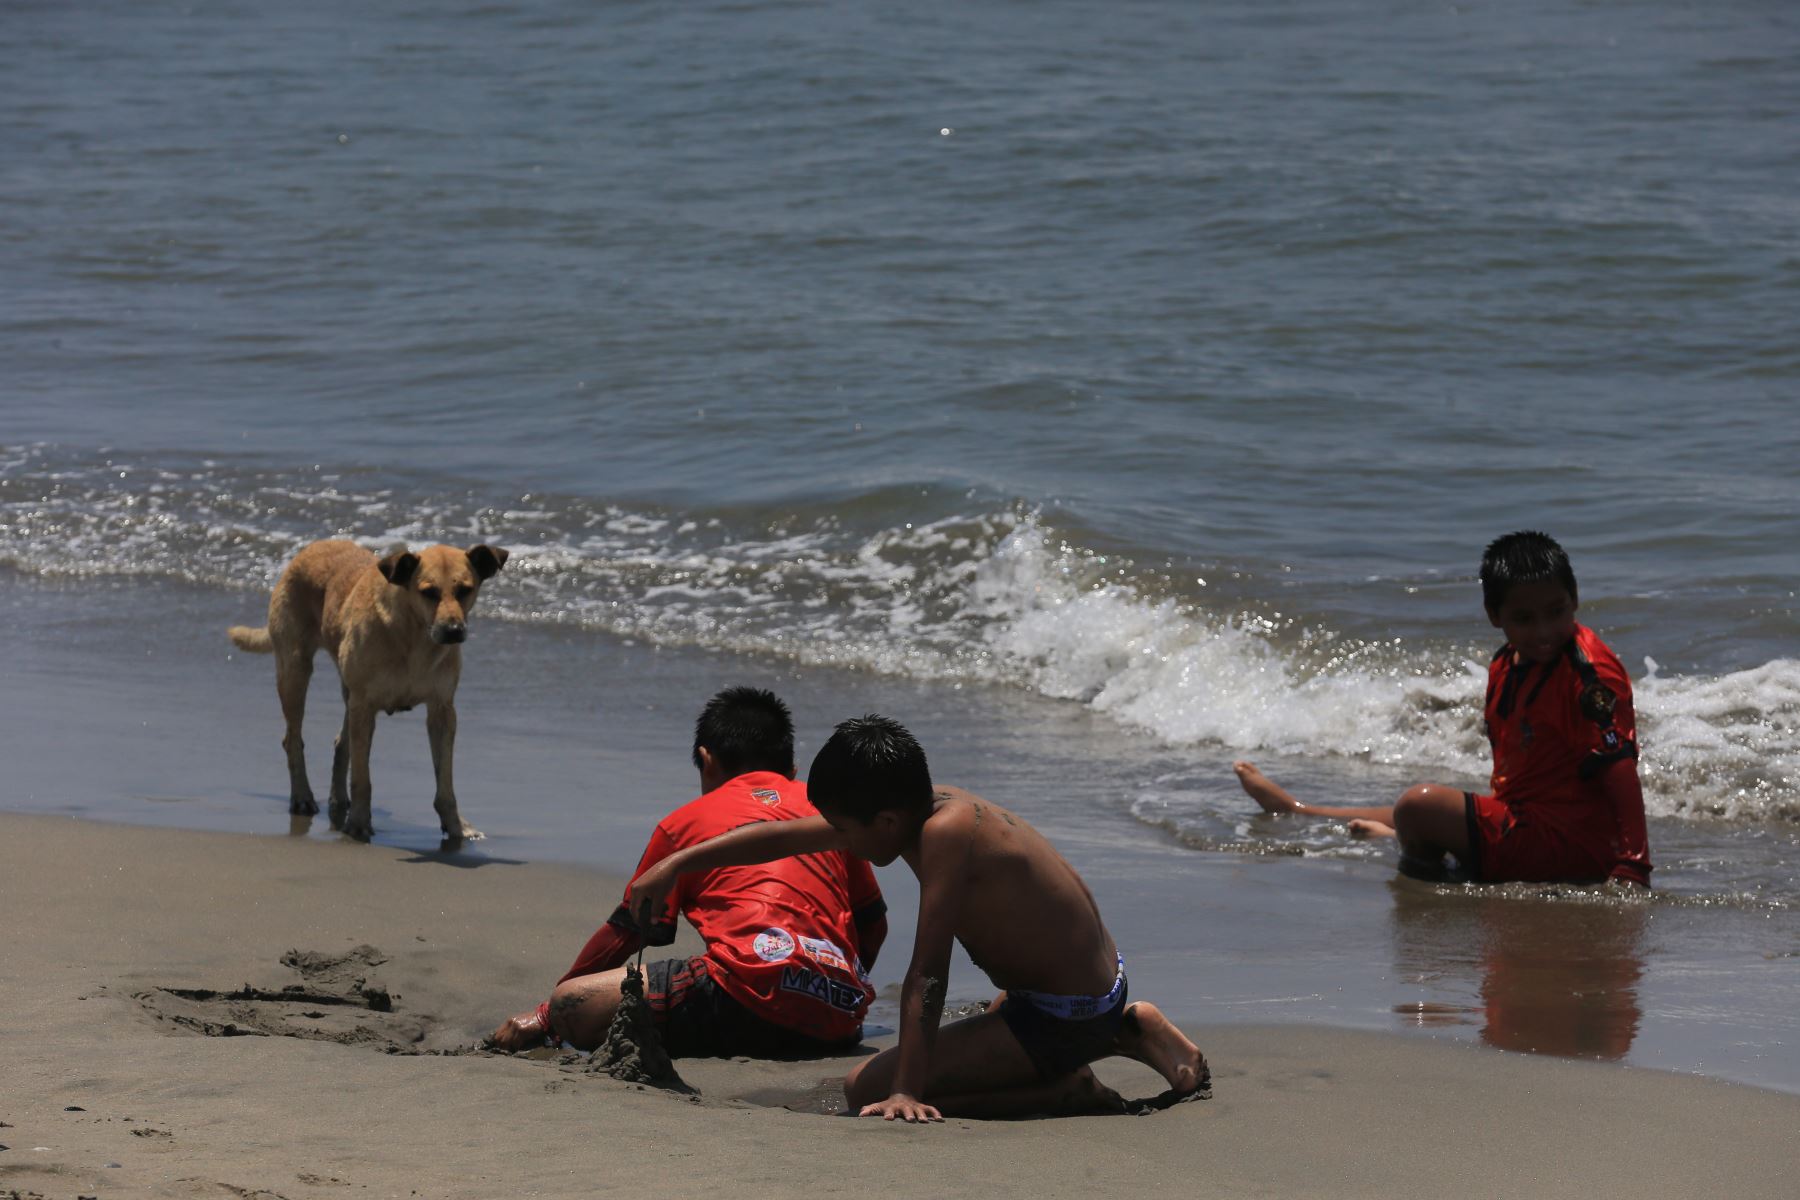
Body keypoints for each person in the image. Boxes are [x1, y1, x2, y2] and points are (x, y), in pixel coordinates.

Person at [630, 715, 1208, 1122]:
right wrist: (677, 866)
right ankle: (1127, 1030)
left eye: (846, 833)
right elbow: (776, 836)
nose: (842, 846)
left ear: (883, 820)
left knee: (865, 1089)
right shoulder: (924, 805)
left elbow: (929, 972)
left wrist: (906, 1090)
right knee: (943, 1051)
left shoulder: (946, 835)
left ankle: (1067, 1085)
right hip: (1060, 995)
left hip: (1065, 1016)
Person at [1234, 530, 1653, 887]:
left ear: (1575, 599)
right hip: (1529, 820)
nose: (1544, 631)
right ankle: (1298, 811)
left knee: (1419, 805)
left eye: (1555, 612)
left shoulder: (1588, 673)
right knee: (1405, 810)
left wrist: (1632, 866)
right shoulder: (1506, 663)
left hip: (1573, 846)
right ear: (1495, 615)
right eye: (1525, 618)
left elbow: (1618, 769)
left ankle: (1415, 855)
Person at [487, 687, 888, 1058]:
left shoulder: (683, 824)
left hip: (744, 1000)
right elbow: (873, 926)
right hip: (839, 1017)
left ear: (707, 760)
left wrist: (546, 1015)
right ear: (794, 770)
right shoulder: (828, 816)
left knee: (572, 1005)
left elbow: (627, 932)